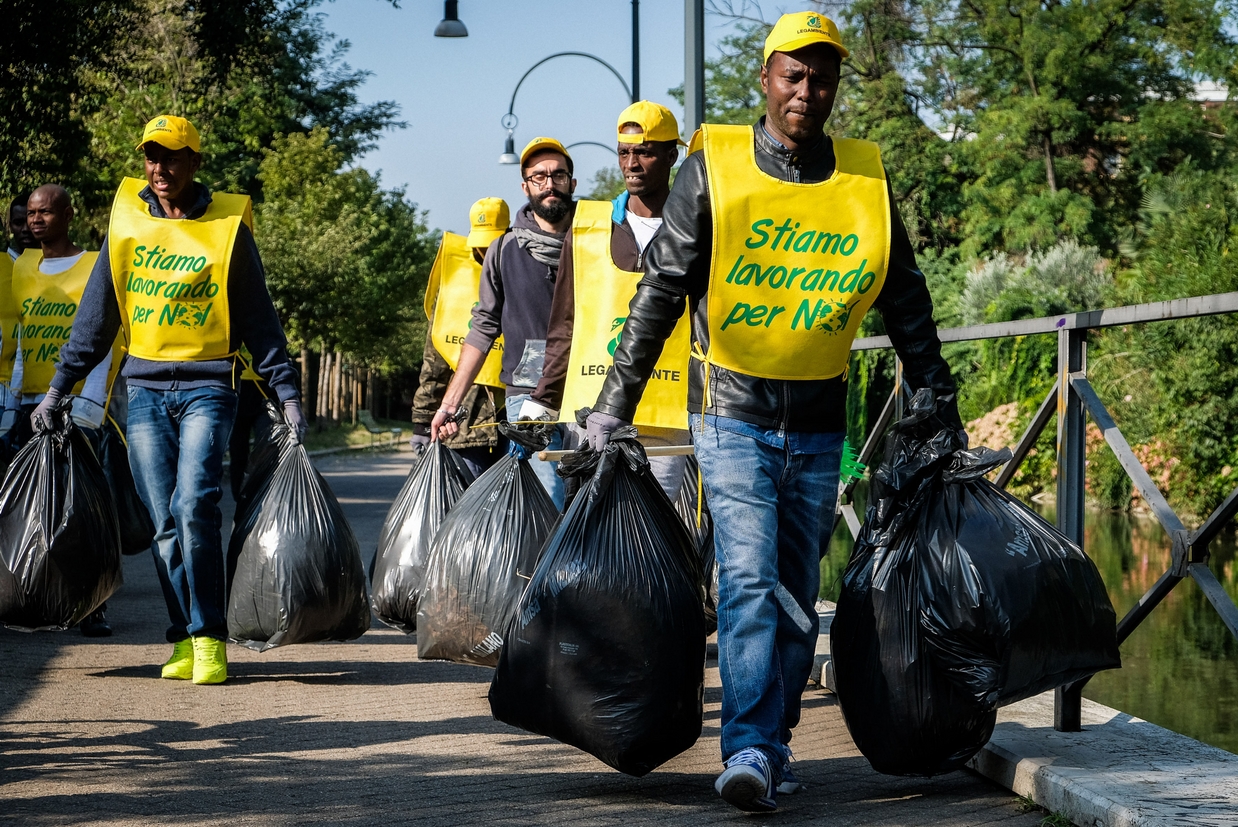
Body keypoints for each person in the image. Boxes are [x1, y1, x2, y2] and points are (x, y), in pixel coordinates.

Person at [584, 12, 965, 812]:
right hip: (730, 412)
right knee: (749, 577)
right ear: (765, 79)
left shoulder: (864, 178)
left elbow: (907, 298)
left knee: (797, 589)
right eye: (792, 74)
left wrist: (936, 395)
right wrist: (612, 407)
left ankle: (776, 737)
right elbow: (659, 293)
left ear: (835, 87)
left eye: (821, 77)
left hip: (822, 420)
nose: (806, 90)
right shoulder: (712, 166)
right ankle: (750, 743)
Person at [33, 115, 307, 686]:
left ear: (194, 162)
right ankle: (183, 632)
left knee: (194, 507)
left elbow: (259, 316)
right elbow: (96, 315)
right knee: (162, 521)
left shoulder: (228, 227)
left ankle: (210, 637)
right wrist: (60, 387)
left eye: (173, 157)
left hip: (211, 384)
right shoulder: (127, 224)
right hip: (145, 391)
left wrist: (286, 392)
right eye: (152, 158)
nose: (161, 169)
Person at [527, 101, 691, 498]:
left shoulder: (694, 229)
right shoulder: (588, 230)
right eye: (624, 152)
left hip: (666, 416)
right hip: (591, 412)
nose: (631, 163)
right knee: (590, 530)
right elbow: (565, 324)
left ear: (672, 156)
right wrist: (545, 400)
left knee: (655, 533)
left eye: (645, 152)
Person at [429, 138, 577, 509]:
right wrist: (450, 403)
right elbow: (481, 329)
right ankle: (543, 569)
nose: (549, 183)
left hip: (587, 390)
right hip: (527, 396)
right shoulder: (503, 250)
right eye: (538, 176)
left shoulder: (596, 241)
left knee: (592, 504)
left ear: (572, 183)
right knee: (546, 502)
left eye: (558, 174)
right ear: (525, 186)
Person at [14, 184, 124, 637]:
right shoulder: (21, 266)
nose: (36, 220)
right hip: (31, 403)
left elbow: (104, 337)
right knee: (35, 507)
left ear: (68, 214)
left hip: (78, 405)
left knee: (81, 508)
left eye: (46, 212)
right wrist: (14, 401)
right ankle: (37, 595)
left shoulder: (93, 264)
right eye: (32, 213)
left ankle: (92, 604)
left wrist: (92, 403)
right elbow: (16, 336)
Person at [411, 198, 510, 479]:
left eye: (492, 243)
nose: (485, 251)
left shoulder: (522, 274)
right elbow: (435, 360)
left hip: (516, 425)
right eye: (480, 244)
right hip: (465, 428)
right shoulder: (454, 284)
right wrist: (422, 422)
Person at [7, 193, 34, 260]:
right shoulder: (3, 263)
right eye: (18, 223)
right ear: (10, 226)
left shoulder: (57, 263)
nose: (26, 229)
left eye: (32, 223)